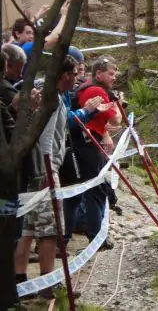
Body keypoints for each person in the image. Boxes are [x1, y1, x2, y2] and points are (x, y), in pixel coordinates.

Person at [14, 55, 82, 300]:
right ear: (65, 75)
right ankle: (46, 284)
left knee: (28, 227)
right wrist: (48, 171)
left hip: (33, 167)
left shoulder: (46, 93)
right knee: (49, 229)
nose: (77, 79)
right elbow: (44, 136)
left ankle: (21, 282)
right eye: (75, 74)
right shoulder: (50, 97)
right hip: (43, 169)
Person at [66, 56, 123, 251]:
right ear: (98, 74)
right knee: (95, 190)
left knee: (88, 191)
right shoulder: (97, 91)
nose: (113, 78)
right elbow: (116, 120)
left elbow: (99, 120)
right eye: (111, 74)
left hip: (86, 141)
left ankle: (90, 234)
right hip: (89, 144)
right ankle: (96, 237)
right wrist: (118, 103)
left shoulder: (90, 88)